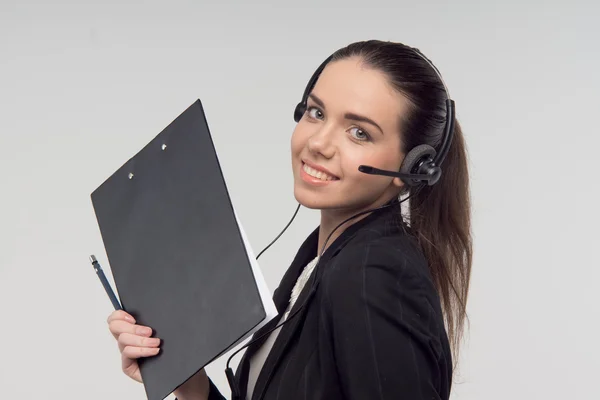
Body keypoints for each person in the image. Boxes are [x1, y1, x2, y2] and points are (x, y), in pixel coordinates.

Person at [107, 39, 472, 400]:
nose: (319, 143)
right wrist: (188, 382)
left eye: (359, 132)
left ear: (411, 167)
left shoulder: (372, 275)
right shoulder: (320, 259)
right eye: (316, 112)